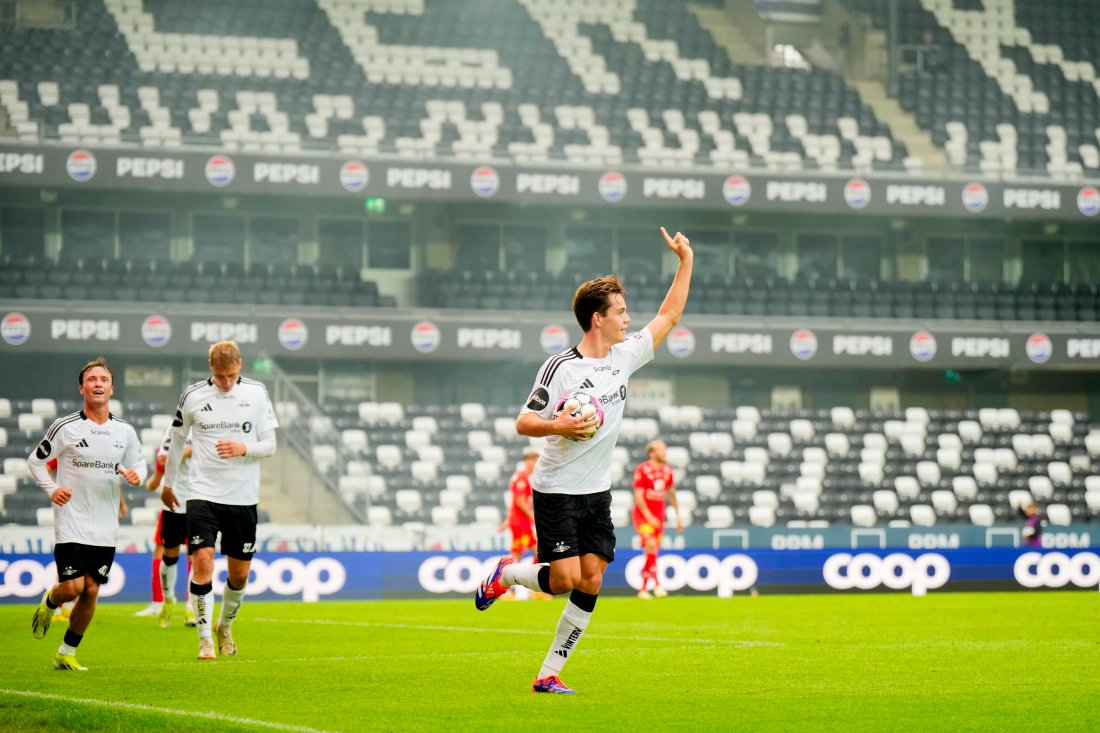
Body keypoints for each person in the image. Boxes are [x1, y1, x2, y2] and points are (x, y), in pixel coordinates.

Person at [475, 227, 693, 694]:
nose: (628, 319)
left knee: (592, 578)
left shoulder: (624, 356)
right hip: (556, 488)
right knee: (562, 580)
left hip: (597, 491)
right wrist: (562, 426)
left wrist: (685, 261)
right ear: (597, 319)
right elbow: (523, 422)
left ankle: (549, 673)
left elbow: (670, 315)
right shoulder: (560, 368)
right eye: (620, 312)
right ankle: (506, 574)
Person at [161, 340, 278, 660]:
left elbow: (270, 444)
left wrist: (245, 448)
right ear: (210, 368)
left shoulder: (256, 393)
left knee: (239, 575)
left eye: (231, 375)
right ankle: (204, 641)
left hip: (243, 497)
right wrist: (168, 484)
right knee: (202, 560)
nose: (225, 383)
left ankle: (224, 627)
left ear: (240, 364)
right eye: (219, 376)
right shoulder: (193, 395)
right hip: (202, 494)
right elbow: (175, 442)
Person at [28, 357, 146, 671]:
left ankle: (66, 653)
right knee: (73, 588)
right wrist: (52, 489)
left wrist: (137, 476)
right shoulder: (66, 427)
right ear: (82, 388)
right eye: (91, 379)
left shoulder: (124, 431)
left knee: (92, 589)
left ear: (111, 387)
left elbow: (140, 464)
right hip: (71, 520)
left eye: (103, 379)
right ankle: (51, 600)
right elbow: (34, 461)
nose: (97, 383)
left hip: (105, 525)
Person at [145, 424, 195, 628]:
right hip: (175, 504)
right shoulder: (173, 430)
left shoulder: (212, 426)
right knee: (169, 557)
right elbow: (164, 460)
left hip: (200, 503)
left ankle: (192, 608)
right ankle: (168, 599)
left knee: (198, 557)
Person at [632, 438, 682, 599]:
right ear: (652, 453)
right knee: (651, 544)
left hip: (659, 516)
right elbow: (639, 497)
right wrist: (649, 517)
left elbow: (671, 494)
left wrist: (678, 516)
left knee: (652, 552)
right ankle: (658, 585)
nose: (664, 452)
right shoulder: (642, 469)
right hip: (643, 516)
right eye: (660, 450)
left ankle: (644, 589)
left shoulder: (668, 471)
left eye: (664, 449)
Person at [497, 446, 543, 600]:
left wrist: (506, 521)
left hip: (520, 524)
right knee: (515, 557)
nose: (536, 464)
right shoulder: (521, 478)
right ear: (529, 462)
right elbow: (519, 502)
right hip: (520, 525)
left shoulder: (522, 478)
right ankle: (503, 589)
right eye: (535, 461)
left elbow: (514, 504)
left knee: (538, 553)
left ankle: (536, 590)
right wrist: (532, 517)